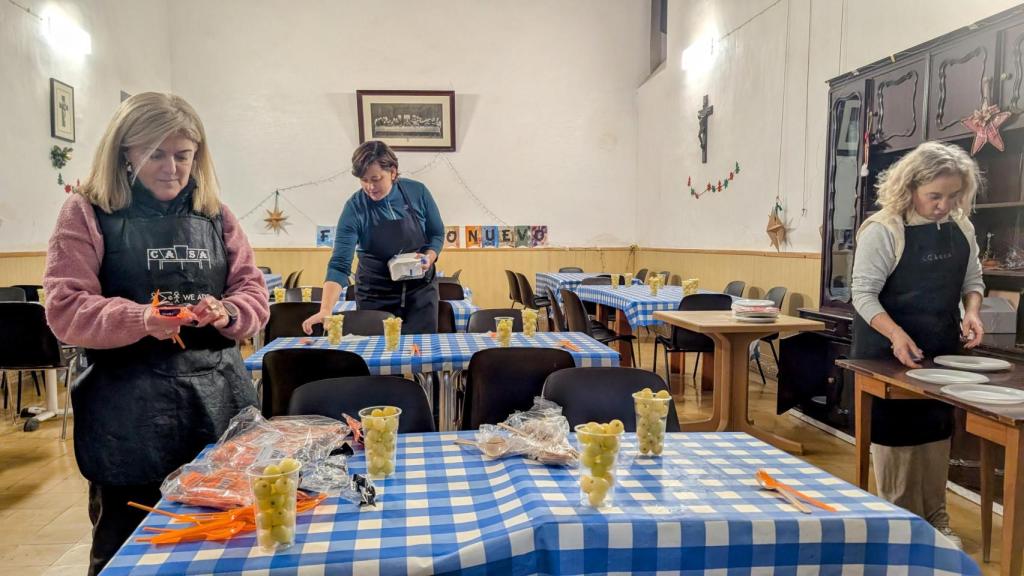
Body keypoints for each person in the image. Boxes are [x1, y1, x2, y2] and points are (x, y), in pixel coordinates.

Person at [43, 92, 269, 575]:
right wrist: (142, 319)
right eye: (156, 155)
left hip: (218, 403)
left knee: (226, 547)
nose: (172, 168)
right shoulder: (85, 212)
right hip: (126, 412)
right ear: (124, 152)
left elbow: (253, 294)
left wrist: (227, 312)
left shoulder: (216, 214)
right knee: (130, 552)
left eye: (184, 155)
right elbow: (64, 309)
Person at [851, 141, 985, 548]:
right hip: (885, 348)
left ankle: (936, 518)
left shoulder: (961, 227)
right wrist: (895, 335)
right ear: (909, 188)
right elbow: (863, 294)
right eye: (935, 196)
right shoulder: (884, 230)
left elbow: (972, 282)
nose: (945, 205)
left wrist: (973, 312)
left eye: (953, 195)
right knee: (898, 435)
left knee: (935, 431)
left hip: (939, 347)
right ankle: (899, 522)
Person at [302, 140, 444, 335]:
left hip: (420, 293)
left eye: (376, 179)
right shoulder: (355, 208)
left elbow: (436, 234)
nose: (369, 186)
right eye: (363, 180)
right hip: (375, 296)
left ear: (393, 172)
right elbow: (339, 265)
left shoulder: (417, 192)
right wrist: (325, 309)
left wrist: (430, 256)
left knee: (421, 356)